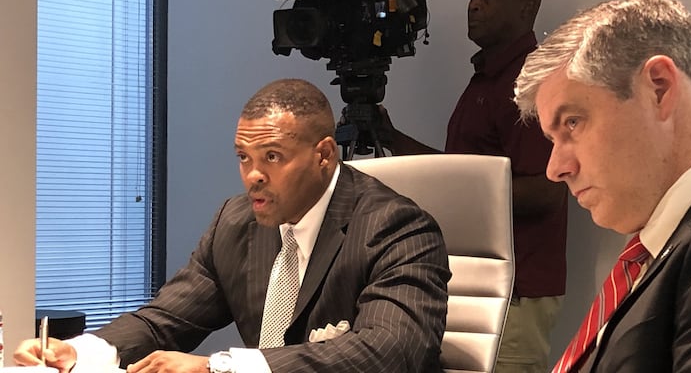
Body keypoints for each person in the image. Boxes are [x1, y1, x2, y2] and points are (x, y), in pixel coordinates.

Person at [16, 78, 451, 372]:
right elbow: (165, 320)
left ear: (323, 155)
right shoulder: (237, 221)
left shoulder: (396, 228)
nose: (252, 176)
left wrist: (217, 367)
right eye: (244, 157)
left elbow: (392, 349)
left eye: (272, 158)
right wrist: (80, 351)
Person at [514, 0, 691, 373]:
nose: (555, 168)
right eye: (552, 138)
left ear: (658, 88)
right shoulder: (663, 245)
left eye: (572, 123)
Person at [382, 0, 567, 373]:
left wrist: (453, 197)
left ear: (526, 8)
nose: (474, 4)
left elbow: (547, 191)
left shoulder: (529, 83)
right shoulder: (486, 79)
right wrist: (392, 140)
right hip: (467, 282)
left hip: (513, 293)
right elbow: (463, 175)